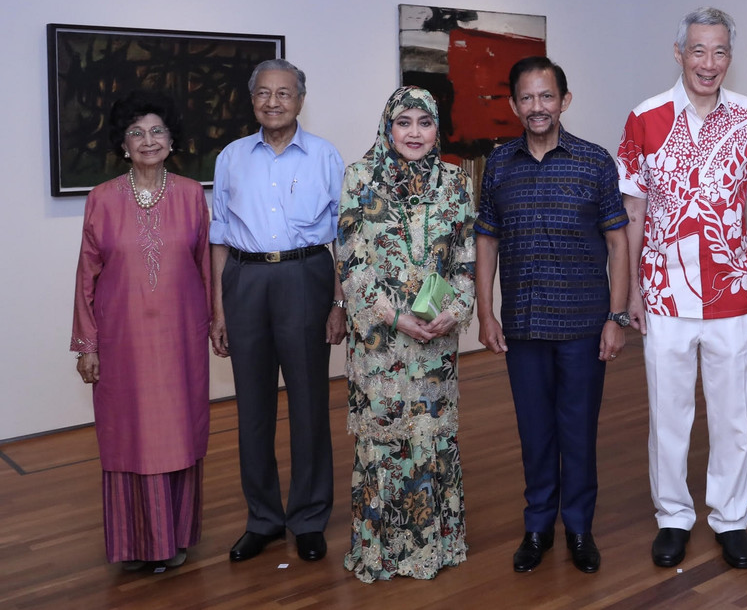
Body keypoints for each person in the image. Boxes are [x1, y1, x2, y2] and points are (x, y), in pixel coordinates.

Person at [617, 7, 747, 570]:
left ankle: (731, 518)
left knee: (733, 414)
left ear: (731, 57)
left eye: (720, 52)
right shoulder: (646, 117)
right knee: (669, 414)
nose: (709, 63)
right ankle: (673, 517)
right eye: (699, 51)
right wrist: (634, 289)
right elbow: (633, 208)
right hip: (663, 294)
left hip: (734, 292)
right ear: (679, 53)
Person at [475, 57, 629, 575]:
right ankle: (538, 525)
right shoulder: (498, 164)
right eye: (526, 98)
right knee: (535, 431)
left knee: (578, 430)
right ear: (514, 104)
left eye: (546, 96)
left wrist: (618, 316)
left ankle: (579, 527)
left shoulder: (594, 162)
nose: (536, 107)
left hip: (584, 324)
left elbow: (618, 240)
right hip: (522, 323)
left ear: (564, 100)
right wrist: (485, 312)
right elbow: (487, 241)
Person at [209, 59, 347, 563]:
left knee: (310, 402)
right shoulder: (230, 157)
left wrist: (338, 301)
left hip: (305, 275)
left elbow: (342, 239)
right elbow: (218, 237)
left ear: (300, 100)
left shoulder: (326, 157)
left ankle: (309, 518)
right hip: (244, 279)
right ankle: (263, 518)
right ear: (252, 100)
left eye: (284, 93)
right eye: (264, 93)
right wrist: (219, 308)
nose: (273, 102)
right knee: (253, 408)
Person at [336, 85, 476, 582]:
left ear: (437, 129)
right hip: (380, 341)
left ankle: (432, 548)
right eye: (404, 122)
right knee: (384, 441)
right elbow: (351, 264)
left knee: (430, 437)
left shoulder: (456, 182)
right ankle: (381, 551)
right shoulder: (359, 177)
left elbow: (464, 261)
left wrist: (454, 311)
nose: (414, 132)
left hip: (435, 338)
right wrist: (395, 316)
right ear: (388, 127)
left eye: (425, 122)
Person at [69, 91, 211, 571]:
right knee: (130, 434)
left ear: (171, 140)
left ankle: (175, 539)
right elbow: (86, 276)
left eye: (156, 131)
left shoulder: (193, 195)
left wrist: (216, 324)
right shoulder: (102, 198)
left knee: (179, 432)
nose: (147, 140)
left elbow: (205, 270)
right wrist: (87, 345)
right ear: (123, 144)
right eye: (136, 133)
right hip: (122, 341)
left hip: (180, 340)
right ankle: (136, 542)